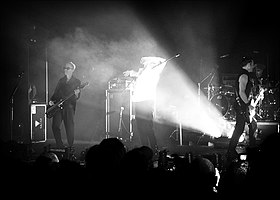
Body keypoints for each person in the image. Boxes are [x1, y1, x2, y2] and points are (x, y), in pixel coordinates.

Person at [123, 56, 167, 155]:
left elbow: (163, 61)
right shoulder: (142, 72)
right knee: (140, 128)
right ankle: (145, 149)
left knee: (148, 127)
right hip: (138, 102)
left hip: (146, 102)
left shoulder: (154, 70)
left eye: (144, 61)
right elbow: (138, 74)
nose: (142, 62)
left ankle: (154, 149)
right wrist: (131, 73)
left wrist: (148, 58)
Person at [226, 56, 264, 165]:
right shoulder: (244, 75)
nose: (253, 66)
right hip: (242, 106)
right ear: (247, 65)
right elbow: (241, 92)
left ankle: (246, 147)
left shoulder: (245, 75)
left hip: (243, 105)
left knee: (249, 125)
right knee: (241, 127)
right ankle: (232, 150)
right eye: (252, 64)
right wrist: (248, 104)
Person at [49, 62, 81, 148]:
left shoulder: (77, 81)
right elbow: (56, 92)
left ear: (73, 70)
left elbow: (77, 97)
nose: (65, 69)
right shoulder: (61, 80)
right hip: (59, 106)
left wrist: (77, 94)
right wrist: (51, 100)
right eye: (65, 68)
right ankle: (60, 145)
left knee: (69, 127)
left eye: (68, 68)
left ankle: (70, 146)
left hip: (69, 107)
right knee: (55, 126)